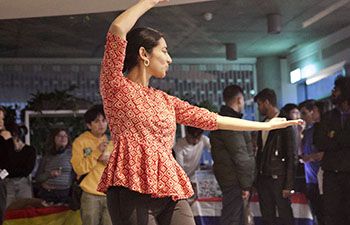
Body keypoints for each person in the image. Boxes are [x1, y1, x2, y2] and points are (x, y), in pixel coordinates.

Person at [96, 1, 302, 224]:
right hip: (130, 183)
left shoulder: (164, 100)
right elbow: (117, 29)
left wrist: (266, 125)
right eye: (164, 51)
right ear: (144, 54)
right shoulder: (116, 87)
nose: (169, 58)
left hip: (168, 183)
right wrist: (151, 1)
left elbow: (214, 119)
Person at [209, 85, 255, 225]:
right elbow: (240, 155)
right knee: (233, 219)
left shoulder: (222, 120)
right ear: (239, 99)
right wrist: (246, 185)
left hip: (229, 177)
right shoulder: (231, 123)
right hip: (235, 179)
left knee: (233, 217)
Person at [254, 89, 298, 225]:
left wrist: (288, 184)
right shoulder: (263, 124)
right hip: (264, 176)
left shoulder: (285, 123)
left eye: (260, 104)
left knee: (285, 214)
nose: (259, 108)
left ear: (267, 102)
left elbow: (292, 156)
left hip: (279, 177)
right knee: (267, 215)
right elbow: (260, 152)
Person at [313, 76, 350, 225]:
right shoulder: (328, 117)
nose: (333, 92)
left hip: (348, 173)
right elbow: (319, 142)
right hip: (331, 174)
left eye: (336, 89)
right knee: (331, 215)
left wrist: (334, 137)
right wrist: (339, 140)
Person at [71, 105, 113, 225]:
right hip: (90, 195)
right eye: (96, 121)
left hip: (110, 195)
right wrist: (96, 153)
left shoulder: (111, 141)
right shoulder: (80, 142)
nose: (101, 124)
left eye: (104, 120)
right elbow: (78, 168)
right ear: (89, 125)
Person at [298, 100, 324, 225]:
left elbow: (324, 154)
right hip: (310, 180)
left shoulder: (320, 131)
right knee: (315, 212)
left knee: (324, 212)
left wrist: (310, 158)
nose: (302, 117)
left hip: (320, 179)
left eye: (304, 113)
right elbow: (299, 152)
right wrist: (299, 132)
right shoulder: (307, 132)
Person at [35, 128, 73, 204]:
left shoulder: (73, 154)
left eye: (65, 136)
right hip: (48, 194)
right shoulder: (47, 156)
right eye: (59, 136)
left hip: (65, 194)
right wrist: (49, 174)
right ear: (53, 138)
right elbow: (38, 178)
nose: (63, 138)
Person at [4, 123, 36, 207]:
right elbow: (4, 167)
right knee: (7, 208)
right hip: (8, 182)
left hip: (23, 182)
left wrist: (11, 171)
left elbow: (27, 170)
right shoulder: (5, 151)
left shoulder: (30, 150)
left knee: (25, 208)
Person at [0, 106, 11, 225]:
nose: (0, 122)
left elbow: (9, 161)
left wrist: (6, 140)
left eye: (2, 119)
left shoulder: (5, 136)